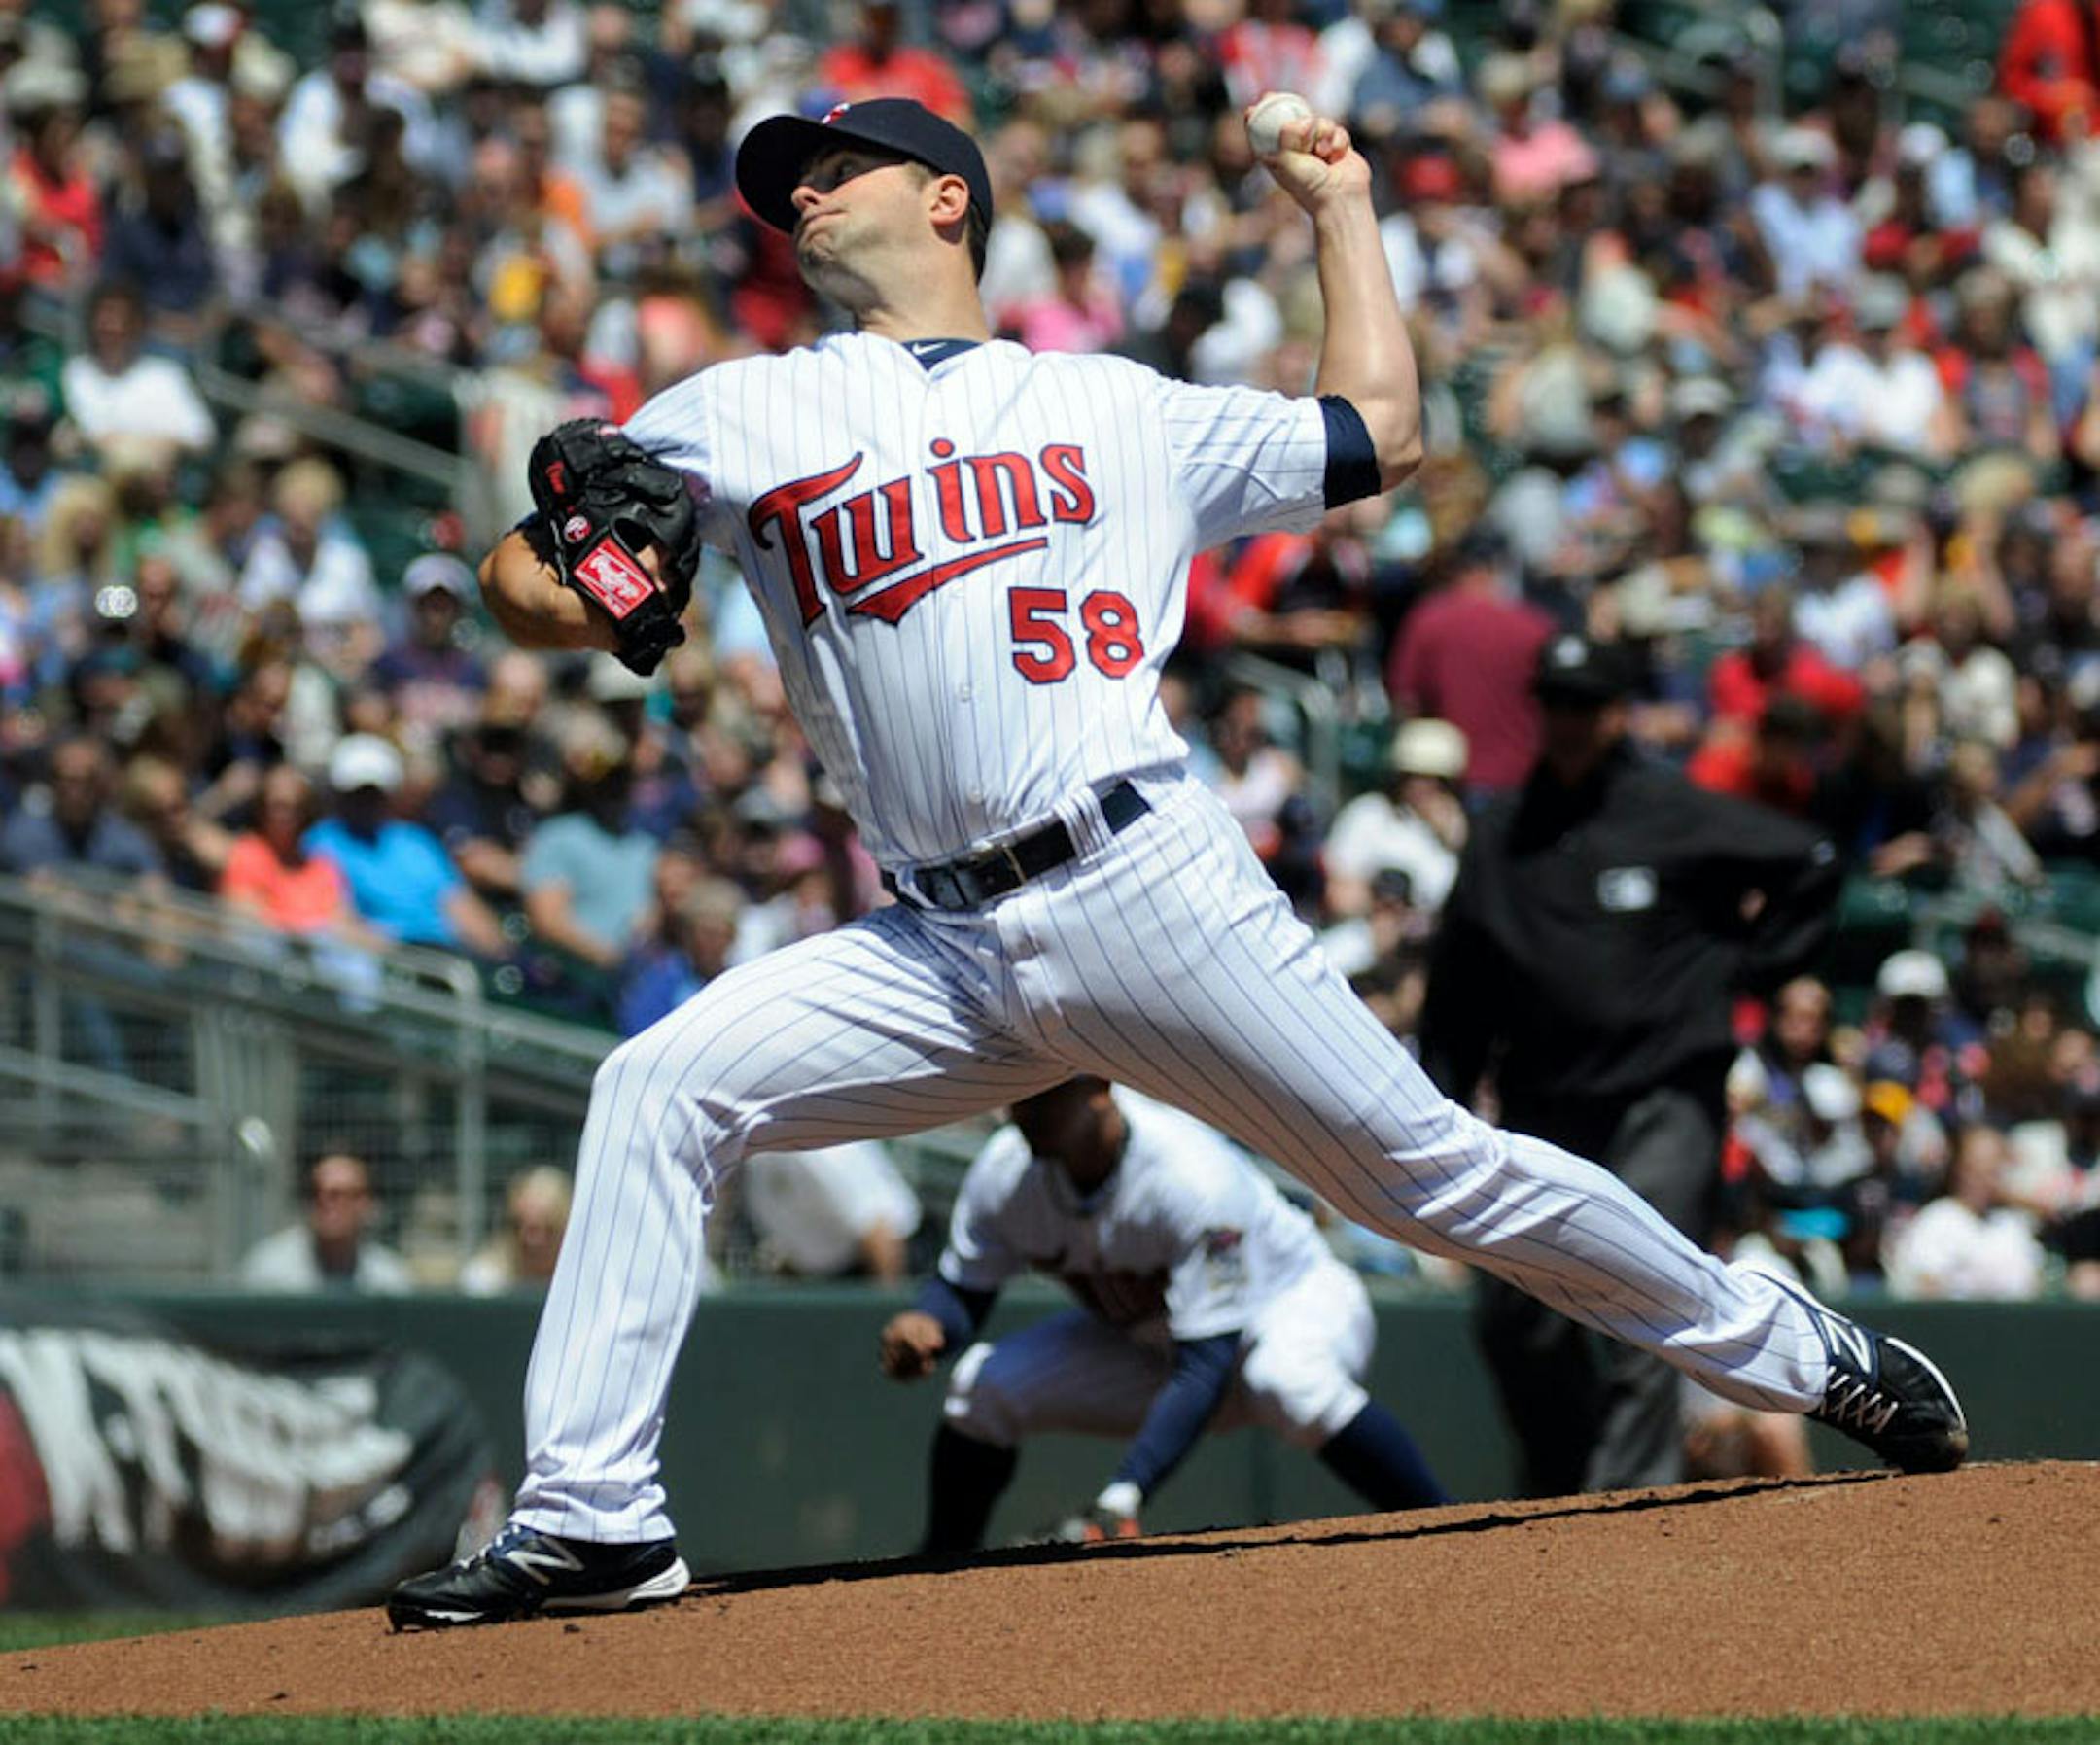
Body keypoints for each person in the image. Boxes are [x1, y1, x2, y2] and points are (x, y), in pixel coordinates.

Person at [388, 94, 1967, 1632]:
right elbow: (532, 582)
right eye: (784, 182)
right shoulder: (739, 407)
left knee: (1428, 1176)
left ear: (948, 198)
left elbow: (1383, 436)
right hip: (936, 945)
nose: (797, 194)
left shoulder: (1118, 408)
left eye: (833, 167)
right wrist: (589, 576)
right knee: (657, 1089)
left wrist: (1343, 209)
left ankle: (1799, 1351)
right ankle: (592, 1523)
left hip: (1140, 882)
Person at [1418, 633, 1849, 1500]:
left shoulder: (1670, 807)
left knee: (1645, 1302)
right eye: (1557, 702)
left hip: (1662, 1095)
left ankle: (1626, 1508)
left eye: (1587, 703)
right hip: (1546, 1102)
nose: (1570, 721)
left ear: (1617, 713)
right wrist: (1445, 1105)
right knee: (1515, 1320)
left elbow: (1811, 862)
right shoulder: (1503, 831)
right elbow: (1459, 983)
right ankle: (1563, 1492)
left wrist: (1743, 970)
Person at [879, 1078, 1447, 1553]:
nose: (1025, 1111)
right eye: (1020, 1097)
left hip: (1290, 1306)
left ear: (1100, 1088)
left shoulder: (1189, 1175)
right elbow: (964, 1290)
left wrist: (1123, 1497)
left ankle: (1446, 1529)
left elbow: (1209, 1363)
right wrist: (932, 1323)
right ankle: (939, 1567)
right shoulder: (1006, 1171)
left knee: (1286, 1381)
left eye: (1045, 1096)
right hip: (1156, 1341)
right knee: (982, 1387)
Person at [240, 1152, 413, 1293]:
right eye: (315, 1192)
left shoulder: (387, 1278)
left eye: (337, 1195)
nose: (324, 1202)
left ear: (364, 1202)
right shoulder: (269, 1272)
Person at [461, 1166, 574, 1296]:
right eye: (518, 1226)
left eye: (548, 1229)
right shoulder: (486, 1281)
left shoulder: (584, 1283)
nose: (531, 1240)